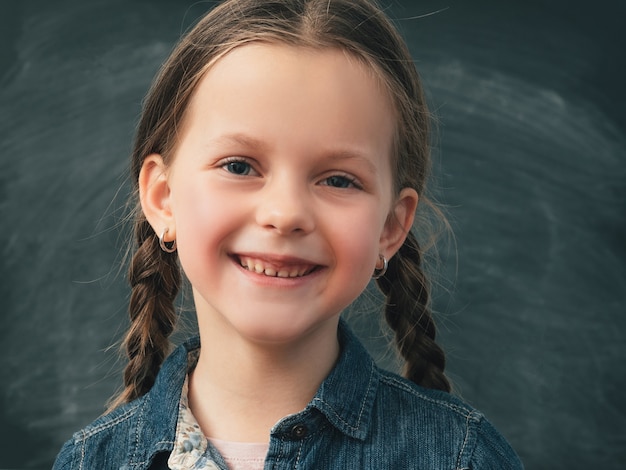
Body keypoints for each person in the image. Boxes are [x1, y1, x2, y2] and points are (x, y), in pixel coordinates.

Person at [54, 0, 523, 468]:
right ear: (163, 198)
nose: (285, 213)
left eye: (339, 179)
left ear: (391, 226)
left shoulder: (465, 457)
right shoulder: (88, 461)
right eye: (239, 166)